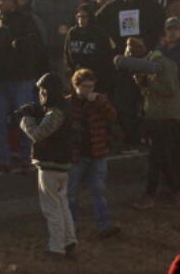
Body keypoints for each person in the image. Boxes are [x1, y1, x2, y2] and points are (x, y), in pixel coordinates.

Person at [114, 51, 180, 208]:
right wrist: (142, 84)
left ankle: (150, 196)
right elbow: (152, 96)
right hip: (156, 117)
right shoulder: (151, 68)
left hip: (167, 118)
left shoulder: (165, 64)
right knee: (162, 157)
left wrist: (147, 83)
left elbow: (169, 90)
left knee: (156, 158)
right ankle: (177, 192)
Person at [0, 0, 47, 172]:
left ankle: (27, 158)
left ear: (14, 1)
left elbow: (37, 46)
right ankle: (4, 158)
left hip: (21, 78)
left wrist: (22, 45)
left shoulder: (25, 20)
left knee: (24, 119)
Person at [18, 73, 77, 260]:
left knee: (51, 208)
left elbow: (38, 134)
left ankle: (56, 248)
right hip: (62, 165)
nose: (41, 95)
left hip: (50, 165)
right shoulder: (64, 108)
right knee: (62, 205)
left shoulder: (55, 112)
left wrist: (26, 119)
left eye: (43, 91)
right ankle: (69, 241)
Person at [67, 68, 120, 239]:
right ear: (76, 86)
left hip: (97, 153)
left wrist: (98, 102)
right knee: (71, 193)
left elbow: (112, 116)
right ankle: (70, 226)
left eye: (91, 86)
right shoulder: (68, 104)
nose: (88, 90)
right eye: (85, 87)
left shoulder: (99, 100)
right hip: (77, 155)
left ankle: (103, 225)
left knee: (99, 190)